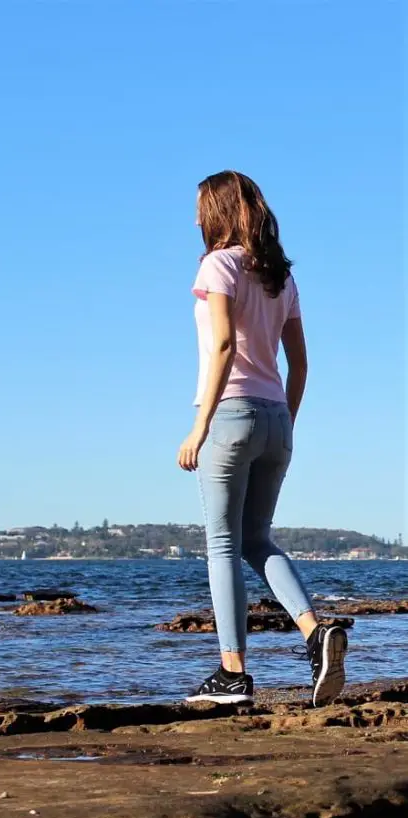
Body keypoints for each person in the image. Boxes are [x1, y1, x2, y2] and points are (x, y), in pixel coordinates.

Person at [178, 170, 347, 707]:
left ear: (218, 213)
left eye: (202, 208)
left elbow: (224, 345)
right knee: (257, 540)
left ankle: (232, 674)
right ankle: (315, 633)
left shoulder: (218, 264)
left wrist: (200, 426)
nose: (196, 219)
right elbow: (299, 361)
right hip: (277, 418)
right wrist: (287, 421)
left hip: (230, 417)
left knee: (223, 543)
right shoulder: (280, 277)